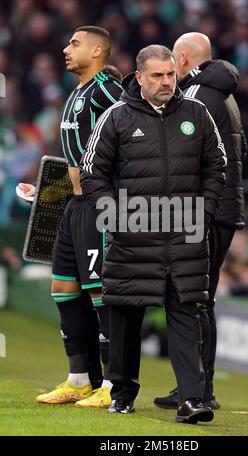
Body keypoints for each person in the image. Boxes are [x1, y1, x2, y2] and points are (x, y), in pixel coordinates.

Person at [80, 44, 226, 423]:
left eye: (170, 75)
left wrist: (204, 212)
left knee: (185, 314)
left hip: (184, 234)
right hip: (133, 235)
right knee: (127, 316)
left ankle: (191, 399)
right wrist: (114, 217)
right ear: (140, 76)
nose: (166, 82)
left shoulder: (198, 113)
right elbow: (93, 172)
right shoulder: (116, 117)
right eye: (157, 76)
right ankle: (123, 393)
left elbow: (217, 167)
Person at [18, 26, 122, 407]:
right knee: (63, 287)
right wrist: (48, 192)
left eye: (74, 44)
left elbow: (133, 127)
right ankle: (79, 379)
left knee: (101, 291)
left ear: (97, 51)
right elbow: (77, 160)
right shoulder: (77, 91)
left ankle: (114, 384)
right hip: (73, 205)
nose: (66, 49)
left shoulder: (107, 89)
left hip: (100, 205)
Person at [154, 32, 247, 410]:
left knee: (194, 298)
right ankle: (196, 384)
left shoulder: (198, 95)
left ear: (181, 58)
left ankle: (200, 388)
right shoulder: (223, 93)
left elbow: (185, 155)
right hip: (223, 207)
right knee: (200, 297)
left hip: (206, 209)